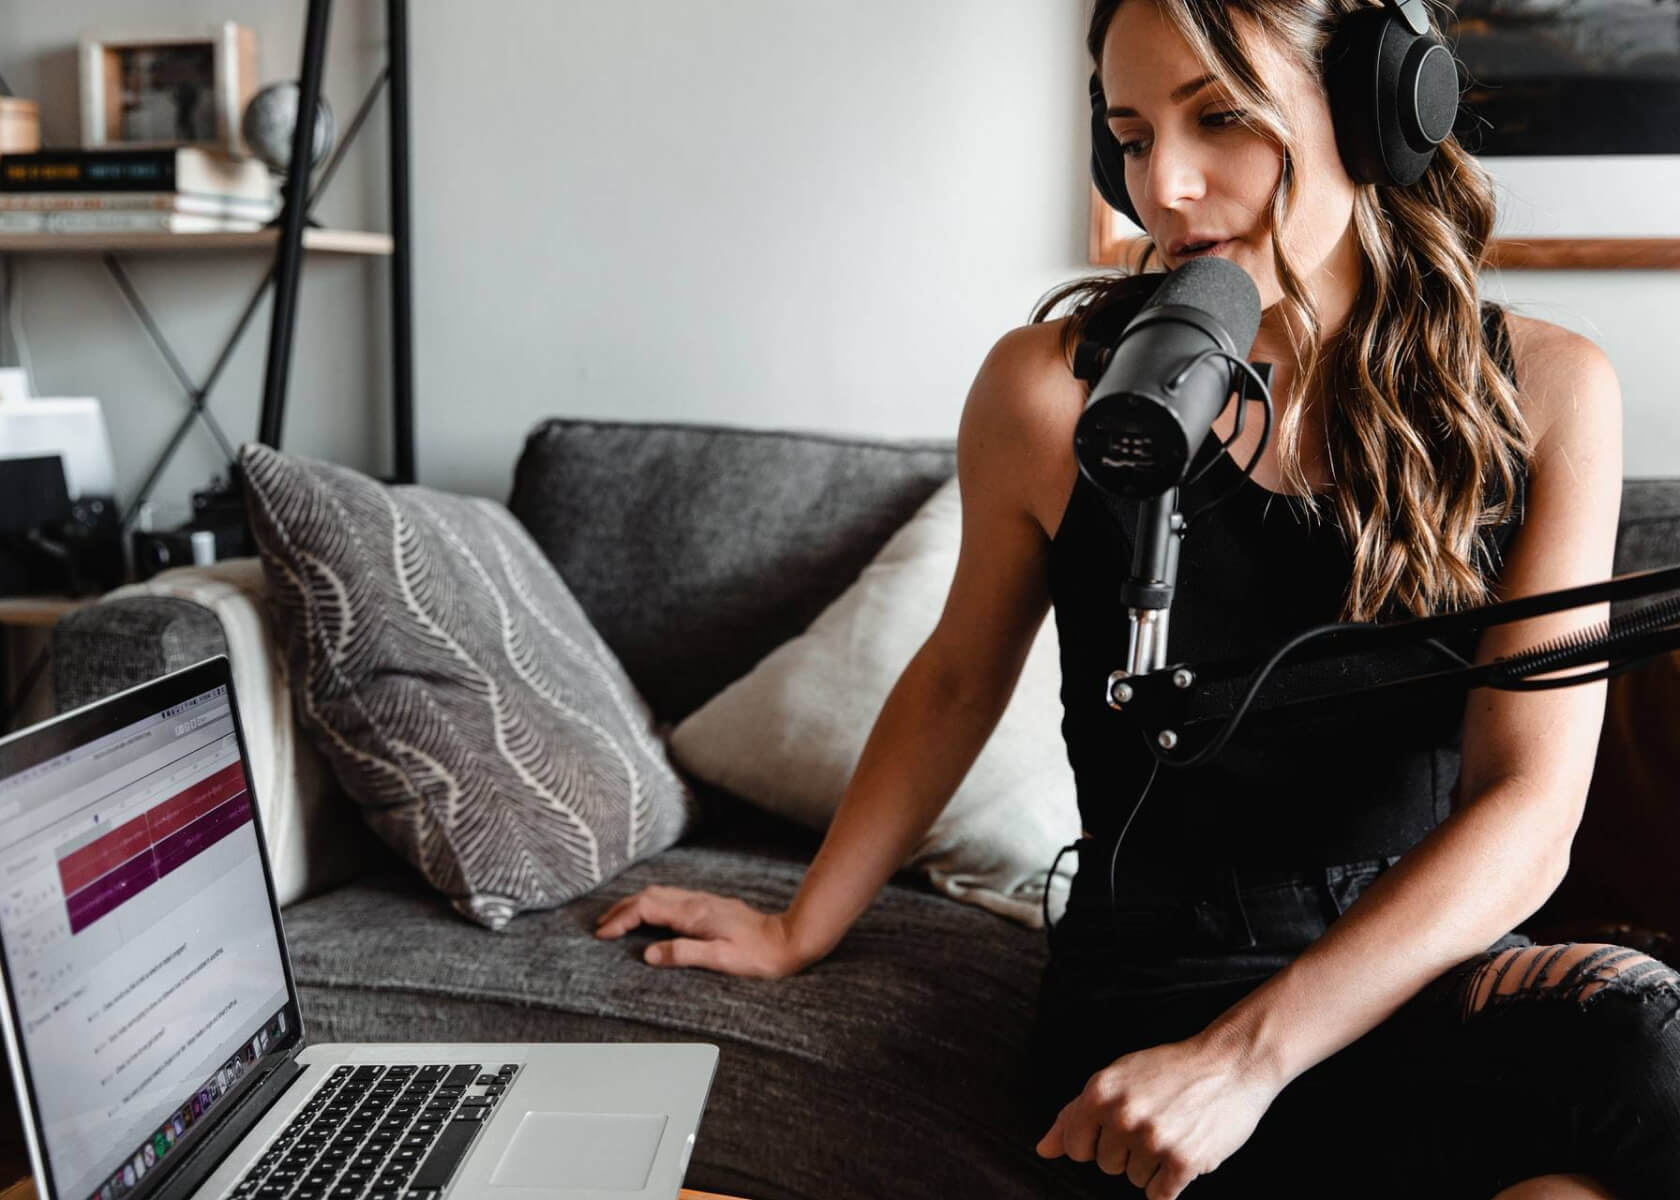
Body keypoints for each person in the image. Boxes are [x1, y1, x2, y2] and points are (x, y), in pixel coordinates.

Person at [595, 1, 1680, 1196]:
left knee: (1647, 1052)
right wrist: (802, 926)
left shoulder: (1549, 392)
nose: (1161, 187)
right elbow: (960, 675)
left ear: (1376, 113)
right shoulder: (1050, 394)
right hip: (1157, 978)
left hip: (1419, 959)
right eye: (1129, 132)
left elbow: (1529, 808)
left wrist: (1246, 1067)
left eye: (1221, 118)